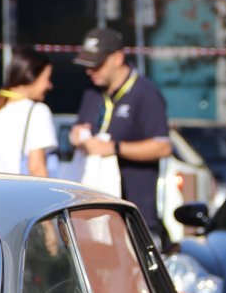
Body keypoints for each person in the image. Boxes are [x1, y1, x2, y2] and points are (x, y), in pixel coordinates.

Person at [69, 27, 173, 244]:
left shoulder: (145, 93)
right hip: (93, 215)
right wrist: (76, 137)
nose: (90, 71)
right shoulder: (92, 93)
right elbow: (78, 129)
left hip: (132, 216)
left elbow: (162, 147)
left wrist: (115, 148)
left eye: (96, 64)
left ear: (117, 58)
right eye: (86, 65)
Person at [0, 48, 59, 176]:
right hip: (22, 193)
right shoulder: (37, 112)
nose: (49, 85)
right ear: (31, 77)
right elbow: (37, 169)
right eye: (47, 79)